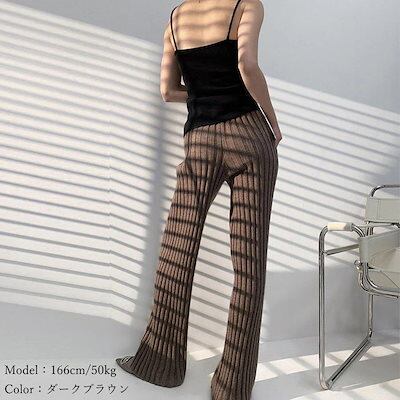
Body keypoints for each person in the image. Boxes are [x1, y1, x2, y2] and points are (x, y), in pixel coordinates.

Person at [116, 1, 282, 399]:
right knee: (249, 264)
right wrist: (273, 123)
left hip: (201, 139)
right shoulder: (246, 5)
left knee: (178, 246)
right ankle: (232, 387)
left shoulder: (176, 19)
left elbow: (168, 91)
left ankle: (159, 363)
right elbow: (248, 66)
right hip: (249, 134)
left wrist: (205, 90)